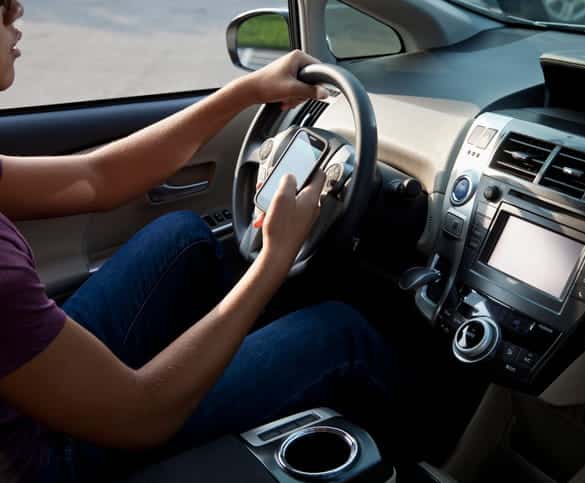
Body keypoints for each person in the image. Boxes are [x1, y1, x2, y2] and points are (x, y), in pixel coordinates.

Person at [0, 1, 399, 482]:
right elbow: (139, 413)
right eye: (1, 7)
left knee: (183, 239)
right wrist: (274, 258)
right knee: (340, 334)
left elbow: (96, 178)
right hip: (38, 459)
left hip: (32, 394)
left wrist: (243, 93)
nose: (17, 9)